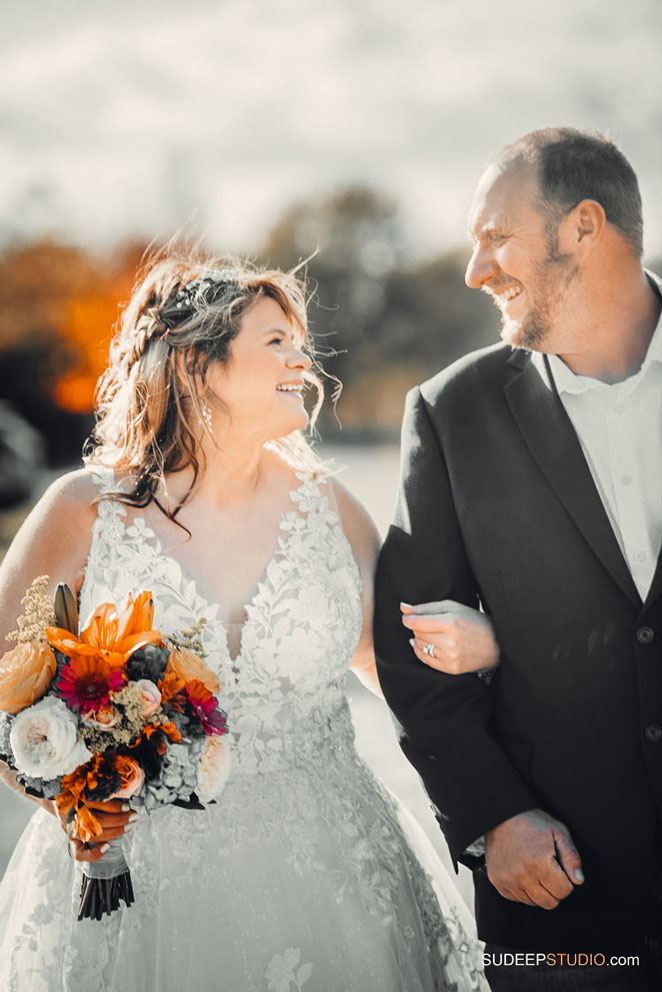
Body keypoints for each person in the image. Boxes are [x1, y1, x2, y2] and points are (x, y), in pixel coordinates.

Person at [0, 246, 496, 991]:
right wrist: (69, 796)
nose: (304, 360)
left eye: (301, 343)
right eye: (276, 342)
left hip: (335, 870)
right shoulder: (84, 510)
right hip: (134, 881)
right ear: (199, 367)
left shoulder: (331, 512)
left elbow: (410, 673)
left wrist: (491, 646)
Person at [374, 127, 662, 992]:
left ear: (582, 226)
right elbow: (408, 652)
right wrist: (494, 817)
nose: (476, 271)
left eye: (494, 236)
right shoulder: (451, 413)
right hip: (562, 896)